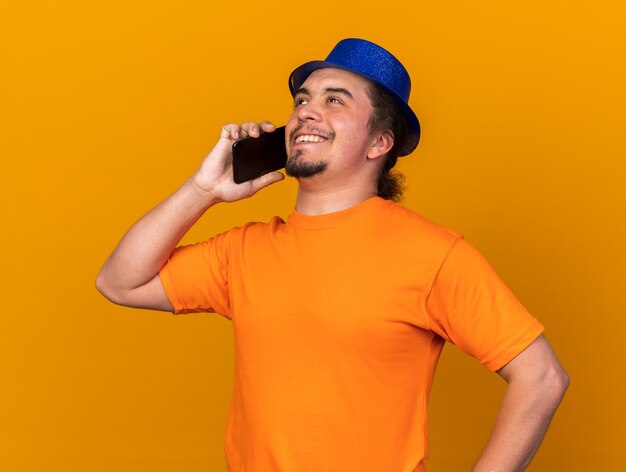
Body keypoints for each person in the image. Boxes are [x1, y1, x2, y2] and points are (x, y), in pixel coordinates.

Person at [96, 38, 569, 472]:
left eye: (334, 100)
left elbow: (542, 376)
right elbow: (120, 282)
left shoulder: (431, 253)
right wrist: (202, 190)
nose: (305, 111)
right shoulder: (244, 250)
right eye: (302, 100)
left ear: (380, 142)